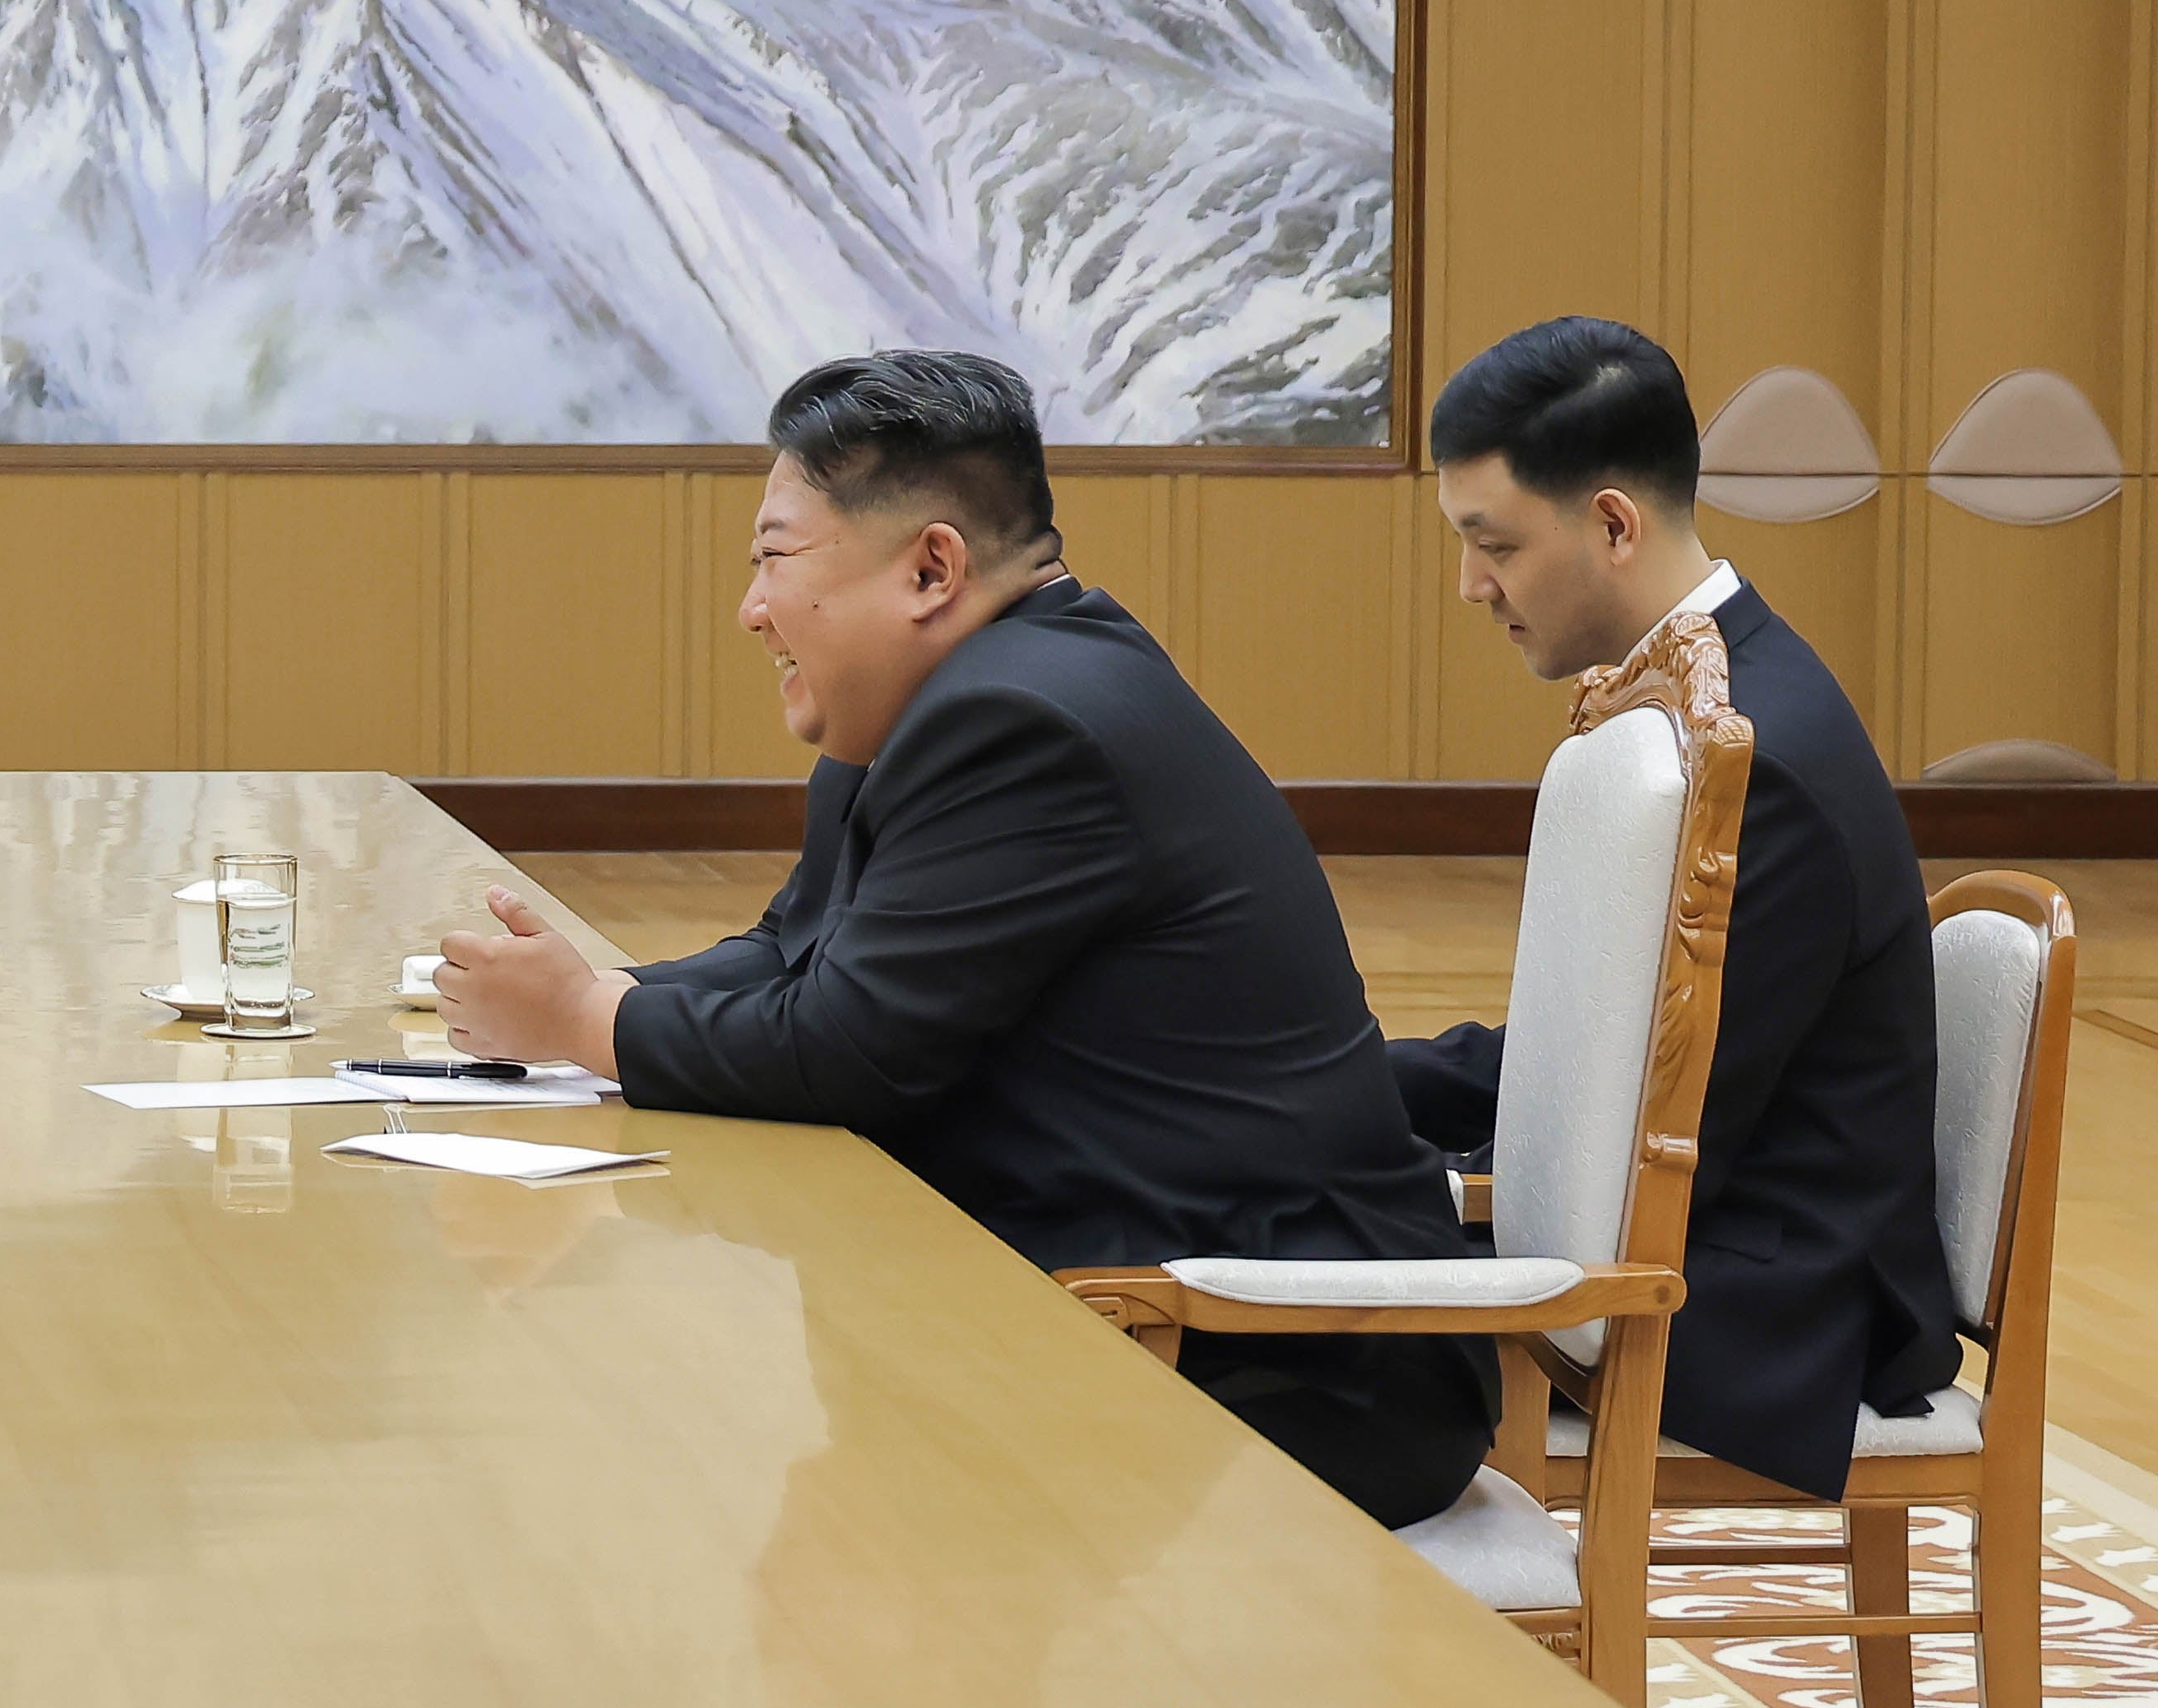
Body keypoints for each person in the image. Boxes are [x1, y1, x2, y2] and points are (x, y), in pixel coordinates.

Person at [433, 349, 1489, 1534]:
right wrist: (584, 998)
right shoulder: (950, 700)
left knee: (667, 1440)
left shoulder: (1020, 718)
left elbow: (842, 1048)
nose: (751, 608)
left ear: (930, 566)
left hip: (1286, 1349)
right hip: (1129, 1299)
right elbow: (792, 950)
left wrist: (584, 1022)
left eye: (774, 557)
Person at [1404, 317, 1953, 1502]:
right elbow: (1588, 1067)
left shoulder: (1763, 761)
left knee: (1287, 1325)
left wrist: (1401, 1176)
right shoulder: (1703, 698)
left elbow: (1655, 1118)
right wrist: (1336, 1077)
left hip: (1764, 1304)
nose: (1469, 585)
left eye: (1490, 543)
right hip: (1690, 1228)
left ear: (1610, 523)